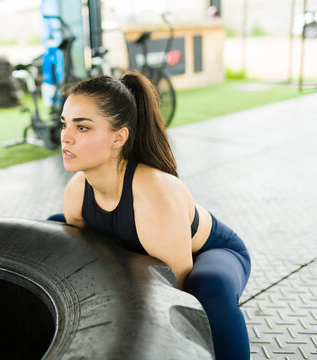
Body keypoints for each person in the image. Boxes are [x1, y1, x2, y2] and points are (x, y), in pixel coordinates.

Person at [50, 73, 251, 360]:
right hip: (138, 250)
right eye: (64, 123)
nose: (65, 137)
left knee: (208, 289)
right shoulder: (76, 191)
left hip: (212, 252)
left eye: (82, 127)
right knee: (54, 227)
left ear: (119, 137)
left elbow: (177, 301)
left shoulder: (154, 196)